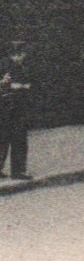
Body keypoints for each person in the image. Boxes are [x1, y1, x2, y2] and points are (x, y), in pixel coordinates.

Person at [0, 40, 33, 181]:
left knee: (9, 138)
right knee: (12, 138)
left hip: (14, 107)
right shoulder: (8, 66)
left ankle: (12, 170)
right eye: (20, 54)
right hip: (9, 107)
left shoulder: (20, 67)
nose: (22, 57)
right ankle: (17, 171)